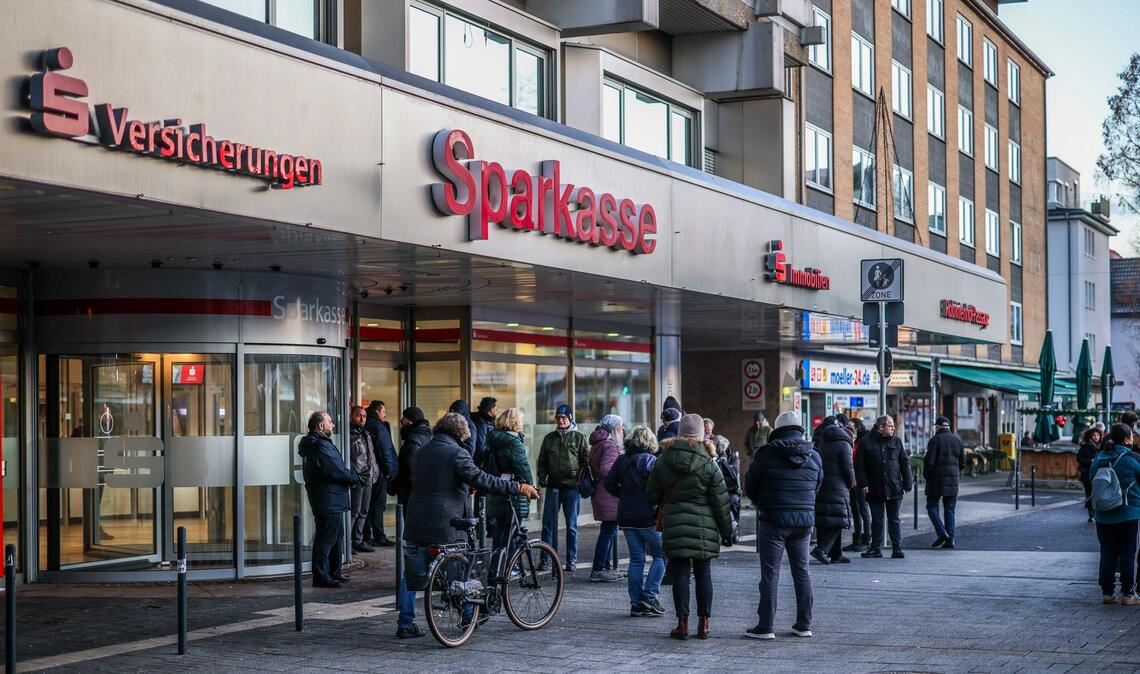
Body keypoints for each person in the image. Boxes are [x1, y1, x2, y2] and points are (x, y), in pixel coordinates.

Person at [397, 413, 539, 638]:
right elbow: (482, 479)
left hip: (416, 521)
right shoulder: (457, 453)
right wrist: (517, 487)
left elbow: (437, 481)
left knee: (412, 575)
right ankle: (468, 617)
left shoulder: (422, 450)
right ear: (459, 433)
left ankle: (405, 622)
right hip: (447, 524)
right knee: (463, 570)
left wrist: (463, 487)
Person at [647, 414, 733, 641]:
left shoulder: (664, 460)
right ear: (702, 435)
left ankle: (682, 624)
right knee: (704, 574)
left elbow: (652, 494)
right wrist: (727, 532)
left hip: (675, 524)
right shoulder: (710, 464)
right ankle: (704, 624)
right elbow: (721, 502)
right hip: (705, 528)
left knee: (681, 574)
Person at [743, 410, 823, 640]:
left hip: (773, 520)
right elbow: (818, 484)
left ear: (776, 430)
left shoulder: (766, 453)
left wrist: (763, 504)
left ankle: (766, 626)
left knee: (770, 573)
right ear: (800, 428)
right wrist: (805, 504)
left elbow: (751, 485)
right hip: (804, 521)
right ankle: (804, 624)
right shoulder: (814, 455)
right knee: (802, 571)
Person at [604, 426, 666, 617]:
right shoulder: (651, 460)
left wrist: (623, 494)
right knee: (661, 555)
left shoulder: (622, 460)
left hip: (627, 516)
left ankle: (636, 603)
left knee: (636, 559)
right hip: (647, 515)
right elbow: (659, 488)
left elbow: (609, 484)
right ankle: (650, 595)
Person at [298, 411, 357, 589]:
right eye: (330, 422)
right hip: (327, 498)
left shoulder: (319, 444)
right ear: (320, 426)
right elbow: (335, 469)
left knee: (336, 536)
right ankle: (322, 576)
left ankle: (334, 571)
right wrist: (352, 478)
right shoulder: (320, 446)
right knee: (326, 538)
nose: (333, 425)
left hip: (331, 497)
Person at [536, 404, 589, 572]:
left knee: (571, 525)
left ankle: (571, 560)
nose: (560, 420)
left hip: (572, 487)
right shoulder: (549, 438)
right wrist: (542, 476)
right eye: (558, 418)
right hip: (553, 486)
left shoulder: (579, 437)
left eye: (564, 418)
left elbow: (585, 461)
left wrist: (581, 480)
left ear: (570, 418)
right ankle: (545, 560)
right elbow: (542, 460)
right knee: (547, 525)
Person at [1091, 423, 1140, 605]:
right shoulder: (1132, 458)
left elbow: (1092, 481)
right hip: (1128, 513)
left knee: (1107, 553)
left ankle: (1107, 593)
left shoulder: (1099, 458)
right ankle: (1128, 594)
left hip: (1103, 514)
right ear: (1127, 439)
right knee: (1128, 553)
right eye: (1132, 437)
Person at [854, 416, 912, 559]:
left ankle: (897, 548)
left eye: (893, 426)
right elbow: (859, 466)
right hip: (874, 487)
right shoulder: (866, 442)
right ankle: (876, 548)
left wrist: (907, 484)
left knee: (894, 519)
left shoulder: (896, 441)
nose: (893, 428)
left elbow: (904, 464)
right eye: (890, 426)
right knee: (877, 520)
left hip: (894, 487)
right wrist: (863, 483)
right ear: (881, 427)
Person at [483, 407, 532, 551]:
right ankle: (511, 566)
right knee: (512, 528)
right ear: (516, 421)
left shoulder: (493, 438)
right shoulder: (514, 442)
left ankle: (497, 564)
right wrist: (530, 487)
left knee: (500, 527)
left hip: (496, 487)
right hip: (513, 490)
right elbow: (523, 468)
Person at [811, 417, 855, 565]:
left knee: (827, 519)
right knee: (839, 520)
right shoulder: (844, 444)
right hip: (838, 486)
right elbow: (848, 468)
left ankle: (836, 553)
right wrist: (850, 483)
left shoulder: (824, 442)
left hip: (824, 483)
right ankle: (821, 549)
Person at [589, 414, 624, 583]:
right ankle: (598, 569)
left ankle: (605, 567)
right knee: (608, 532)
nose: (622, 430)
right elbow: (607, 469)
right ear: (614, 429)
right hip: (609, 494)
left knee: (608, 531)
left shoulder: (599, 443)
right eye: (620, 427)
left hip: (602, 493)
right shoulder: (610, 445)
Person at [924, 416, 966, 549]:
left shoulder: (934, 440)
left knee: (931, 507)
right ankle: (950, 540)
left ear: (938, 427)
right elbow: (963, 462)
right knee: (950, 510)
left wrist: (927, 475)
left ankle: (942, 533)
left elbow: (929, 462)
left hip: (935, 481)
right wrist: (954, 473)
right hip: (953, 481)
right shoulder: (957, 440)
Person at [364, 400, 398, 547]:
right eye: (383, 411)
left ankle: (366, 536)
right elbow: (386, 451)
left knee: (367, 505)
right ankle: (379, 536)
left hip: (368, 471)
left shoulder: (367, 425)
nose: (385, 414)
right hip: (380, 471)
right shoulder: (379, 427)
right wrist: (390, 471)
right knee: (378, 505)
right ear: (377, 411)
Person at [348, 405, 380, 554]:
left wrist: (375, 473)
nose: (361, 419)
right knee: (354, 512)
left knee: (364, 511)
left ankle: (358, 540)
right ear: (351, 416)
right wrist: (353, 476)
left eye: (364, 416)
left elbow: (370, 456)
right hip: (357, 478)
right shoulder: (348, 435)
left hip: (368, 477)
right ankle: (347, 543)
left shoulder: (366, 434)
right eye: (358, 415)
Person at [388, 407, 433, 507]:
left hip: (410, 489)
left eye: (404, 417)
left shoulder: (413, 439)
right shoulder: (427, 436)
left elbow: (408, 466)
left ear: (410, 421)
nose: (401, 421)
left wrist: (397, 484)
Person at [844, 417, 872, 552]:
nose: (849, 428)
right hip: (852, 480)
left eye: (851, 426)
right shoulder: (849, 440)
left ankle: (867, 539)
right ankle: (857, 539)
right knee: (854, 510)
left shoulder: (863, 441)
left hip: (860, 479)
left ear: (858, 427)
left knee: (863, 509)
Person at [1078, 427, 1103, 523]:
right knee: (1089, 493)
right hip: (1087, 473)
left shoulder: (1102, 447)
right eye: (1094, 435)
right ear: (1090, 436)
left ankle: (1097, 512)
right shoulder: (1085, 446)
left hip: (1099, 473)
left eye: (1098, 435)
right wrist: (1091, 461)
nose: (1096, 437)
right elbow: (1079, 458)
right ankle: (1091, 513)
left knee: (1098, 494)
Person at [471, 396, 497, 467]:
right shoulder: (481, 423)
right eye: (495, 408)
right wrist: (483, 462)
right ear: (491, 410)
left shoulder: (488, 421)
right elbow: (481, 445)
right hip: (481, 462)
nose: (496, 410)